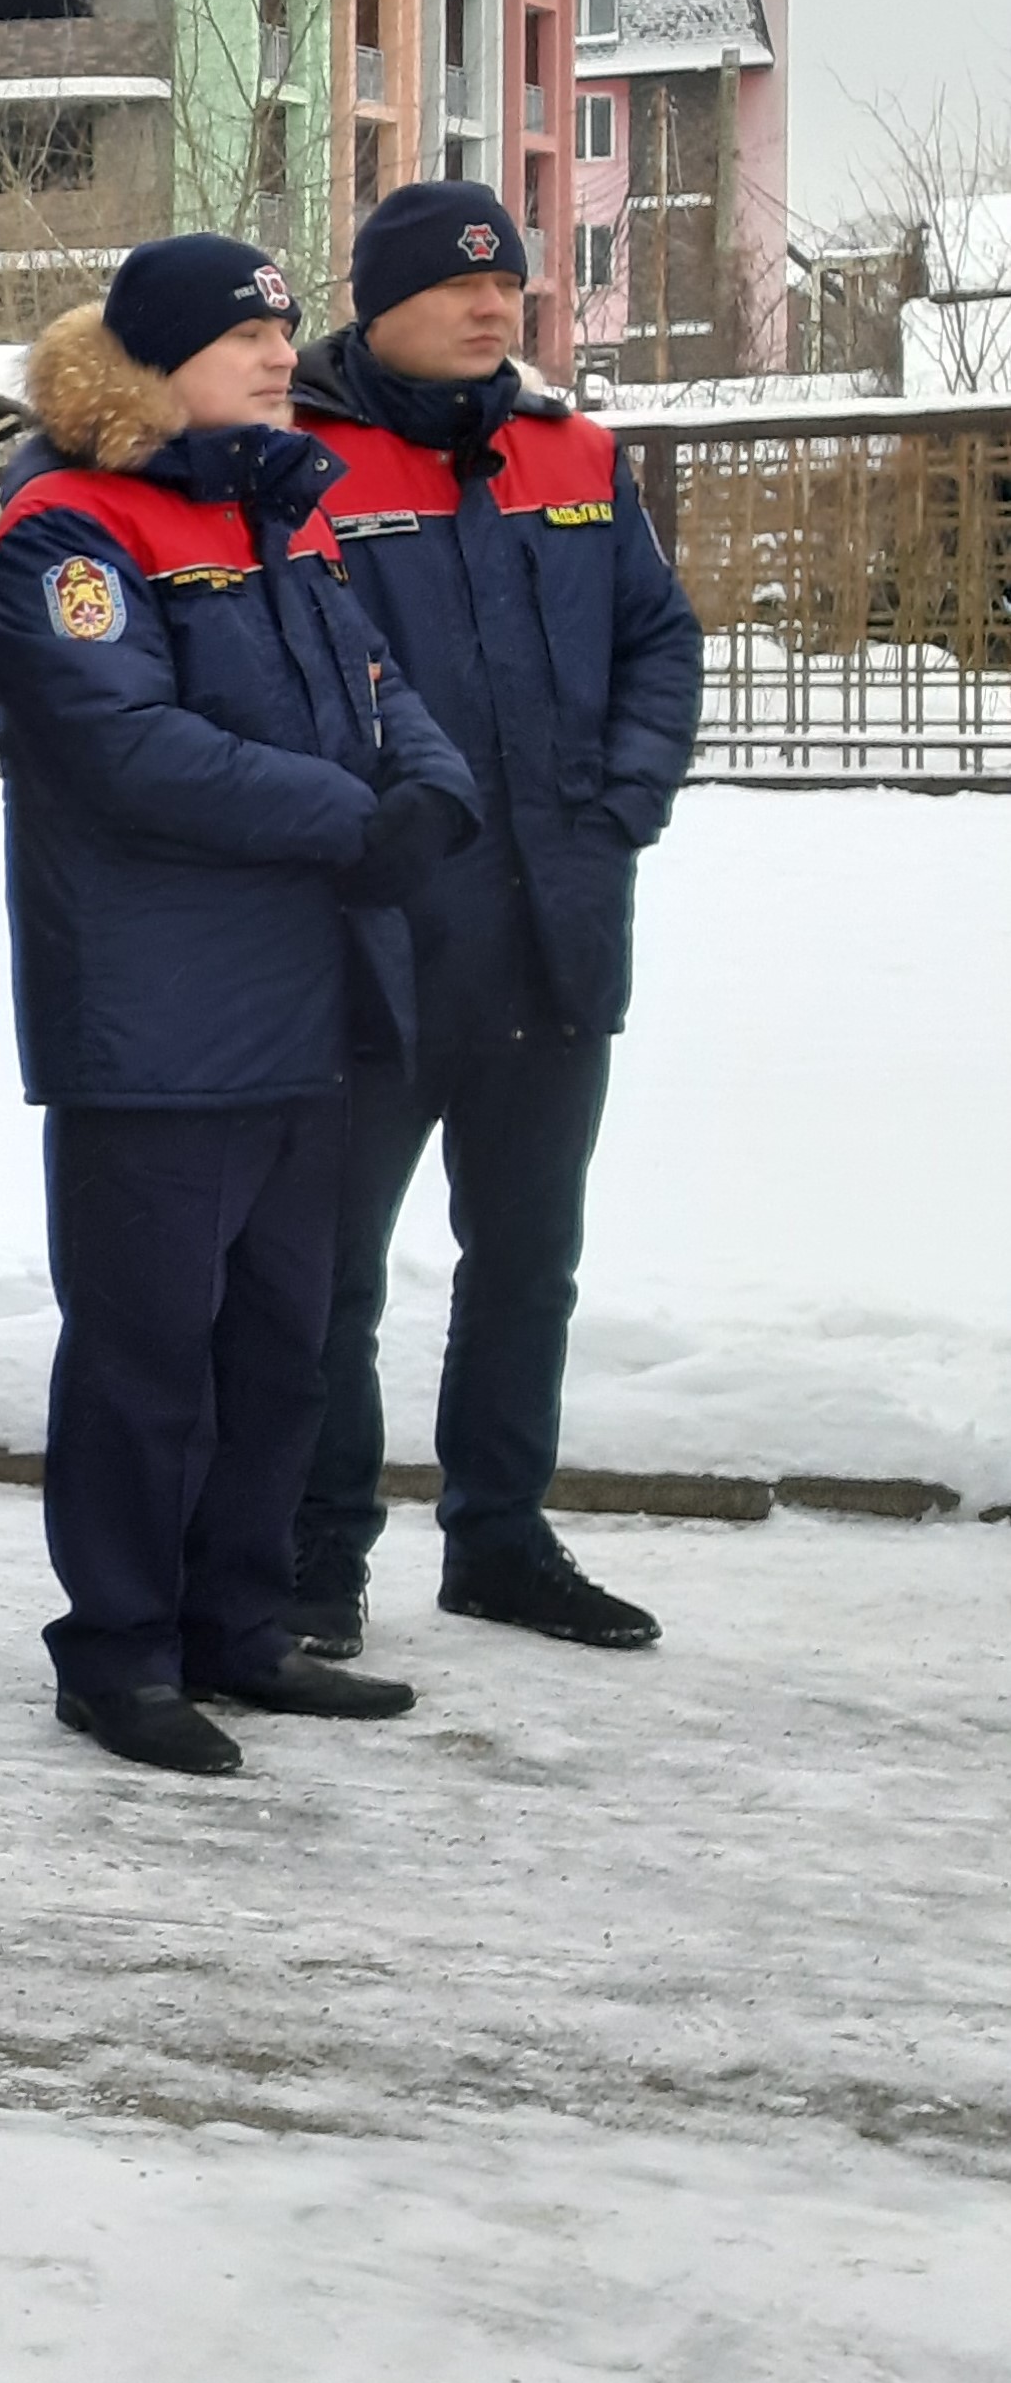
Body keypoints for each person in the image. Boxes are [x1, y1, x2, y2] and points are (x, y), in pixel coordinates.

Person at [0, 235, 477, 1776]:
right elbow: (126, 749)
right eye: (243, 335)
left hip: (313, 1006)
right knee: (147, 1354)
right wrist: (353, 816)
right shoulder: (65, 527)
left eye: (282, 330)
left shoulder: (285, 517)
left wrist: (434, 794)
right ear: (153, 360)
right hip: (159, 1016)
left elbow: (392, 696)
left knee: (282, 1343)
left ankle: (236, 1624)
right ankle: (119, 1648)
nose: (280, 354)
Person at [285, 182, 702, 1656]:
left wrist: (620, 802)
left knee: (529, 1253)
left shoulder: (575, 451)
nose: (490, 308)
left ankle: (500, 1536)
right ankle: (315, 1552)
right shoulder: (301, 463)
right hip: (387, 938)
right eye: (459, 287)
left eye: (510, 289)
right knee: (331, 1268)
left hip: (559, 926)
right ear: (376, 301)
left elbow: (657, 637)